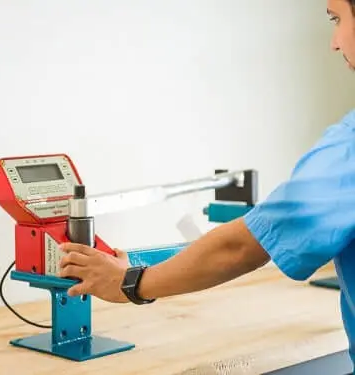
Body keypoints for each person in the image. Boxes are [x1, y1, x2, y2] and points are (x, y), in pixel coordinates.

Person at [59, 0, 355, 367]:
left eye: (336, 19)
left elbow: (241, 248)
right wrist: (138, 263)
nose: (334, 42)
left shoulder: (349, 146)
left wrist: (129, 283)